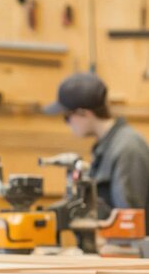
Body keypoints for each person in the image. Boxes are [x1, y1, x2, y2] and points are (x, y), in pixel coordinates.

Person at [45, 72, 149, 232]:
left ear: (83, 112)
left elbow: (129, 223)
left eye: (67, 117)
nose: (68, 124)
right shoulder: (107, 146)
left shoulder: (127, 148)